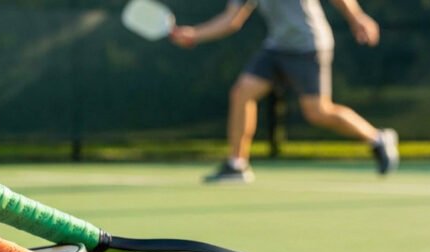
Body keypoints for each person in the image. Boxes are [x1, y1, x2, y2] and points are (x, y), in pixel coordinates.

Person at [170, 0, 399, 183]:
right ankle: (237, 164)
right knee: (242, 93)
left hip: (308, 45)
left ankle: (378, 138)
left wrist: (356, 17)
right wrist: (195, 34)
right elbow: (231, 19)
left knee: (318, 112)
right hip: (276, 47)